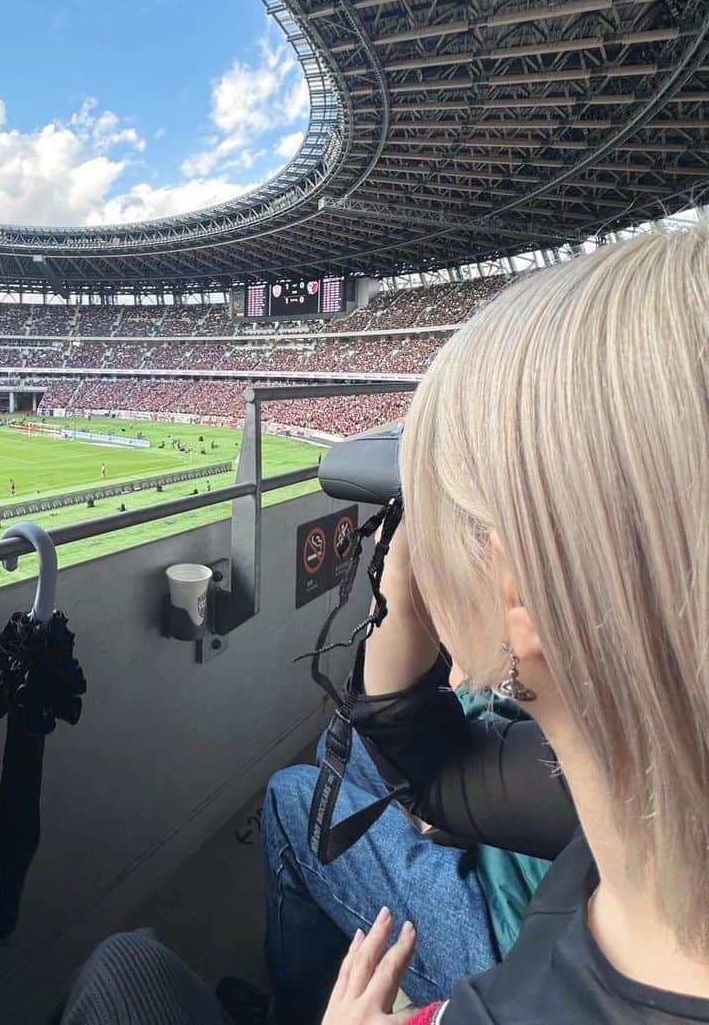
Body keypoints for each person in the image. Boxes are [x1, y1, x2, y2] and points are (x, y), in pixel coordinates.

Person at [60, 221, 709, 1025]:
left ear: (523, 593)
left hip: (508, 939)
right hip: (562, 896)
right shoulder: (651, 781)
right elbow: (432, 774)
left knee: (125, 969)